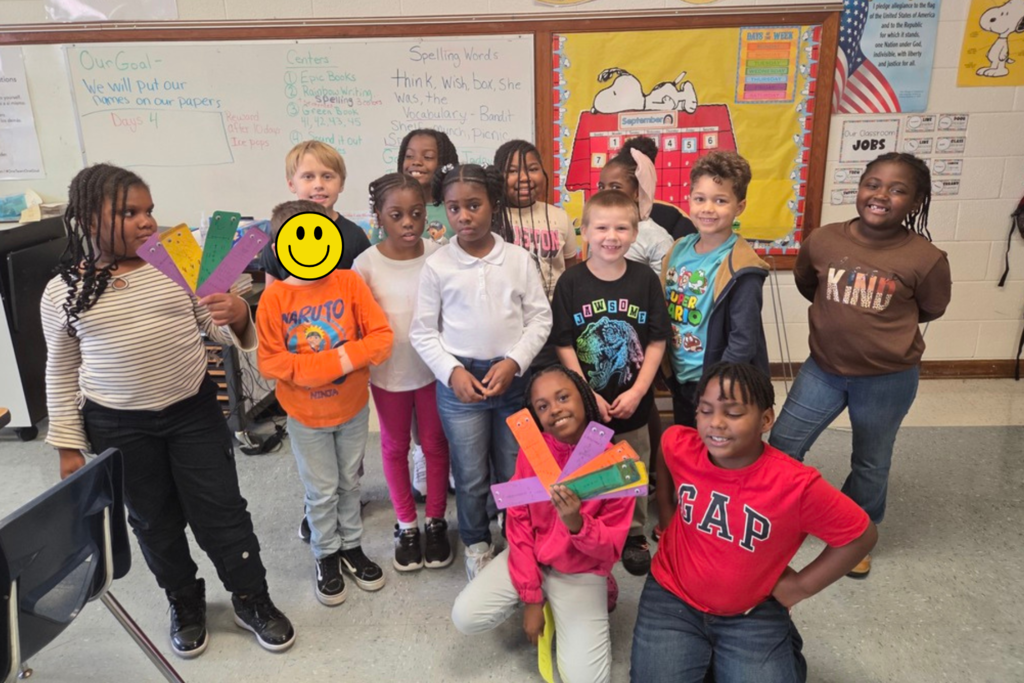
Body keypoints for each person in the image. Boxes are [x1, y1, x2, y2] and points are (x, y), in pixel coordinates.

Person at [41, 163, 295, 656]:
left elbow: (217, 326)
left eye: (149, 210)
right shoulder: (63, 291)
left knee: (221, 512)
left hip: (192, 411)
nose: (146, 221)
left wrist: (241, 314)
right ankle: (184, 599)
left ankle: (252, 597)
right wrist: (68, 446)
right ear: (89, 220)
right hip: (117, 423)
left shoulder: (176, 261)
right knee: (154, 521)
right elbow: (60, 370)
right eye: (129, 212)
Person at [631, 362, 878, 683]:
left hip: (752, 610)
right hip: (671, 597)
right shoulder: (683, 443)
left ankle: (777, 642)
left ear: (765, 419)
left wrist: (800, 586)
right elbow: (667, 446)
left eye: (733, 414)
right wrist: (666, 513)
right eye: (705, 410)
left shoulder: (795, 485)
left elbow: (861, 535)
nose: (715, 423)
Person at [768, 152, 951, 578]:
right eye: (873, 183)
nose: (881, 195)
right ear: (860, 187)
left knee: (870, 460)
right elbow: (806, 282)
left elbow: (931, 308)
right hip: (823, 370)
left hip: (887, 380)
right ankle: (772, 519)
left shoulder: (925, 258)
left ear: (917, 201)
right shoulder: (824, 239)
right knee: (782, 445)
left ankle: (853, 536)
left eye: (898, 189)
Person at [410, 163, 552, 580]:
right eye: (454, 208)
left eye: (473, 205)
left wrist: (514, 362)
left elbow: (539, 320)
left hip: (512, 381)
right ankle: (476, 543)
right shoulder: (438, 266)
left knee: (513, 468)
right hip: (460, 388)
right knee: (470, 475)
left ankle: (517, 535)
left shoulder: (518, 259)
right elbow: (423, 332)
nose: (464, 217)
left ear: (494, 204)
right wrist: (452, 372)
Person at [451, 365, 633, 683]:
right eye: (542, 406)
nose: (555, 410)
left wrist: (577, 524)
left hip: (582, 568)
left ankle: (601, 592)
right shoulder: (533, 452)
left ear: (584, 397)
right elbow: (518, 524)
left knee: (587, 680)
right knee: (464, 617)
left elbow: (610, 549)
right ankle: (543, 594)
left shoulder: (616, 466)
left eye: (563, 397)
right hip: (533, 555)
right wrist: (531, 596)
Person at [255, 200, 394, 605]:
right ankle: (325, 553)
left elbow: (381, 338)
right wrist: (334, 362)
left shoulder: (349, 283)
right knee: (321, 491)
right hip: (306, 415)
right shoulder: (274, 299)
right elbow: (271, 362)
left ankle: (351, 546)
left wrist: (339, 361)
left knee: (350, 483)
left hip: (351, 408)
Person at [553, 189, 670, 576]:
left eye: (622, 227)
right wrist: (587, 394)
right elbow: (565, 343)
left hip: (633, 402)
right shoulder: (570, 283)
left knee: (633, 465)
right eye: (601, 227)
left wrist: (639, 392)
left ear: (636, 232)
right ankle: (591, 525)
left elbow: (656, 341)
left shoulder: (645, 281)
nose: (611, 236)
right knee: (588, 465)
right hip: (588, 401)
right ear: (584, 231)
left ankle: (633, 532)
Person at [354, 173, 452, 572]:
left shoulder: (439, 254)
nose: (408, 223)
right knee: (395, 447)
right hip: (388, 375)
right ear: (379, 217)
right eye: (397, 215)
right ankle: (407, 524)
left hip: (433, 371)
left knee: (434, 444)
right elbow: (356, 322)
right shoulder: (365, 264)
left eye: (415, 213)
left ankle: (436, 521)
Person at [659, 150, 769, 431]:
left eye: (720, 200)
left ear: (739, 206)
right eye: (700, 199)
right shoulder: (678, 249)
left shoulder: (741, 266)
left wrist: (718, 385)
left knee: (718, 448)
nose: (708, 208)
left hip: (718, 382)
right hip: (681, 375)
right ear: (690, 200)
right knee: (688, 444)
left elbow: (743, 338)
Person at [258, 140, 370, 285]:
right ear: (292, 184)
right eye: (308, 177)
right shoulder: (278, 233)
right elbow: (270, 294)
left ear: (341, 184)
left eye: (327, 176)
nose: (319, 185)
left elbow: (365, 290)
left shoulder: (354, 235)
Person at [493, 139, 580, 301]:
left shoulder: (559, 217)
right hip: (508, 314)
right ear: (498, 177)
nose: (524, 177)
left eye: (533, 169)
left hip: (555, 314)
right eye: (512, 171)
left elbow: (570, 270)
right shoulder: (491, 219)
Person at [597, 137, 677, 270]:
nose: (605, 193)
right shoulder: (597, 231)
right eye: (601, 186)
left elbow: (664, 286)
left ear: (638, 193)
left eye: (615, 187)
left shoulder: (657, 239)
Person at [370, 128, 461, 245]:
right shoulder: (391, 209)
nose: (416, 162)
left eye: (428, 157)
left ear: (445, 163)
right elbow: (377, 252)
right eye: (409, 156)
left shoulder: (455, 209)